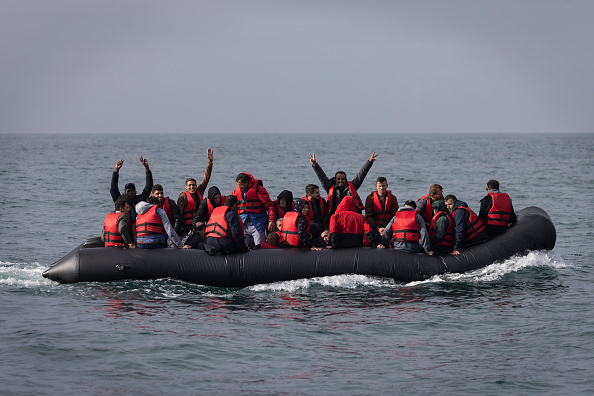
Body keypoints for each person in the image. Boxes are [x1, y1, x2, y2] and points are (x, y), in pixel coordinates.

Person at [309, 152, 378, 215]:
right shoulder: (330, 187)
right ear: (335, 180)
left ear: (346, 180)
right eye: (338, 179)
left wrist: (369, 162)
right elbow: (322, 177)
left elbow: (361, 175)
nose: (340, 181)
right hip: (334, 217)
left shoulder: (352, 187)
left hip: (349, 217)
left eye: (342, 179)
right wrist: (315, 165)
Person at [231, 172, 276, 248]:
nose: (239, 187)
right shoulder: (237, 191)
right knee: (242, 246)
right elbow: (230, 204)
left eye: (241, 184)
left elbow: (270, 205)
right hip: (243, 223)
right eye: (238, 184)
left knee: (260, 246)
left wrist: (271, 220)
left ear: (247, 182)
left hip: (258, 224)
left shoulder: (259, 189)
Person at [178, 148, 214, 237]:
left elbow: (206, 178)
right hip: (187, 227)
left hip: (201, 226)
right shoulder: (183, 197)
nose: (192, 187)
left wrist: (210, 162)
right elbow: (179, 215)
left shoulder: (199, 191)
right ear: (186, 187)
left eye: (193, 185)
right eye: (189, 185)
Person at [365, 177, 399, 247]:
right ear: (376, 186)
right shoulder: (370, 198)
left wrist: (387, 228)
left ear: (387, 186)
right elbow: (368, 216)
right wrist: (378, 228)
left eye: (383, 186)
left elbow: (395, 215)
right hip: (375, 226)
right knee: (372, 238)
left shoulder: (393, 198)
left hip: (388, 226)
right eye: (379, 186)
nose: (381, 188)